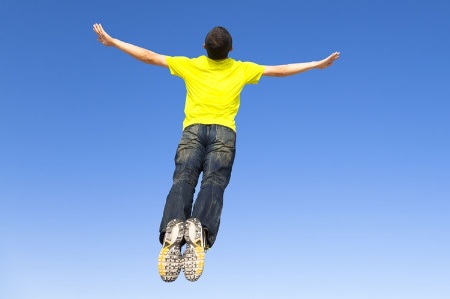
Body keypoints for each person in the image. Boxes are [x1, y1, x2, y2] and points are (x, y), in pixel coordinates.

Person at [93, 23, 340, 282]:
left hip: (192, 131)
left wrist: (113, 41)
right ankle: (199, 227)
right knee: (214, 183)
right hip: (224, 134)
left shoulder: (190, 65)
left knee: (183, 179)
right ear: (231, 49)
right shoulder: (241, 68)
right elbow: (280, 70)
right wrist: (316, 64)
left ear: (204, 47)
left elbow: (149, 56)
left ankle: (173, 226)